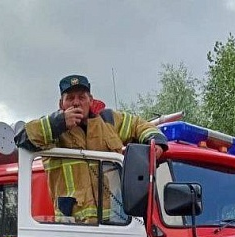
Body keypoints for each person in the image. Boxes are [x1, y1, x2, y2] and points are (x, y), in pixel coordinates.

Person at [15, 74, 168, 224]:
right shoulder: (51, 129)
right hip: (73, 228)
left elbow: (139, 125)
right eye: (70, 98)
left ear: (91, 101)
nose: (76, 103)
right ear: (61, 104)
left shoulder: (109, 120)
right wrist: (59, 122)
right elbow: (22, 137)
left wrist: (156, 142)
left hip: (116, 225)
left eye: (81, 97)